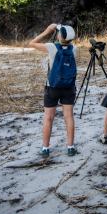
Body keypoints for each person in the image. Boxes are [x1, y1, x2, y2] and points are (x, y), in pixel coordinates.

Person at [28, 23, 78, 157]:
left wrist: (47, 31)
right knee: (69, 117)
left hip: (52, 87)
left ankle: (45, 148)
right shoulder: (74, 49)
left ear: (60, 35)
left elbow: (31, 43)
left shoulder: (52, 48)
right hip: (68, 87)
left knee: (48, 118)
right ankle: (70, 147)